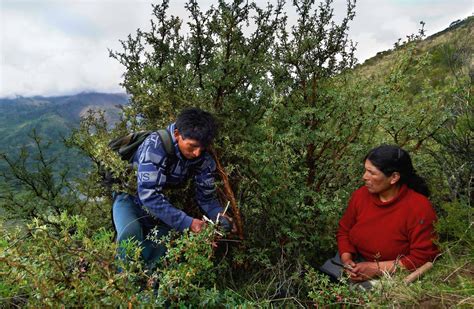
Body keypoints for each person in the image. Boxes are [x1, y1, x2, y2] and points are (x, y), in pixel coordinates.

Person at [112, 107, 234, 270]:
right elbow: (149, 195)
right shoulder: (155, 145)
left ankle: (151, 289)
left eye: (202, 148)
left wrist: (220, 216)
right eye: (192, 146)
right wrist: (188, 223)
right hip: (130, 199)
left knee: (162, 244)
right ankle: (124, 286)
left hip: (162, 206)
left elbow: (206, 198)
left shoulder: (203, 160)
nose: (197, 153)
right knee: (130, 233)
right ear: (177, 134)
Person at [321, 145, 439, 286]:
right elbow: (344, 231)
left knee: (355, 299)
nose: (364, 177)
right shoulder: (361, 195)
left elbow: (422, 258)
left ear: (394, 177)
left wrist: (375, 269)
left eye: (371, 173)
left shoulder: (419, 207)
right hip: (354, 262)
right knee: (320, 285)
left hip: (390, 271)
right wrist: (347, 260)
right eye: (365, 170)